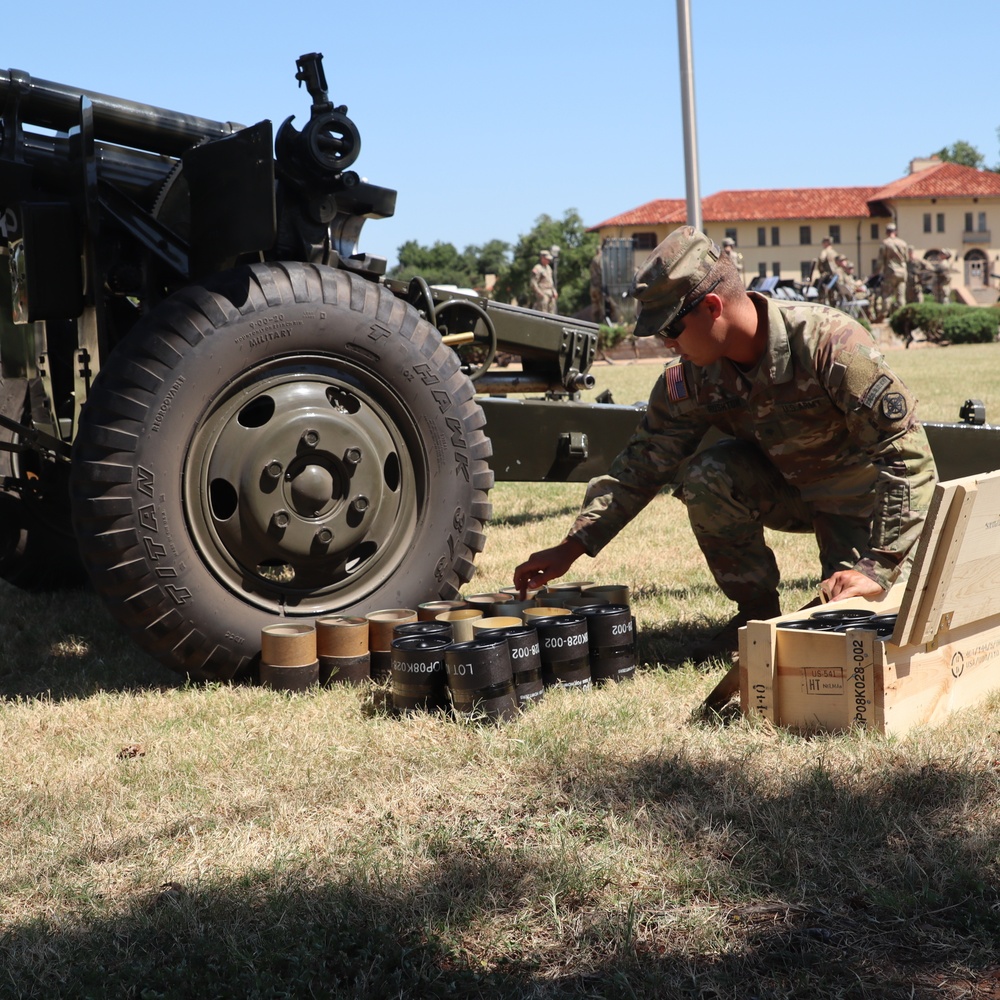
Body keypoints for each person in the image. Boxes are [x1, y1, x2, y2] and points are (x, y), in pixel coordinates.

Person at [513, 226, 938, 660]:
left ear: (712, 307)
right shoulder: (694, 376)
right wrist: (573, 546)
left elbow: (907, 456)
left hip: (859, 505)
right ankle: (754, 613)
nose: (668, 344)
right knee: (707, 475)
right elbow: (642, 465)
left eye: (671, 329)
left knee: (843, 630)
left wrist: (878, 565)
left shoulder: (831, 344)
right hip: (789, 492)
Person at [877, 222, 909, 317]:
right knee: (901, 296)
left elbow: (880, 261)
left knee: (887, 294)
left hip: (891, 272)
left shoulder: (885, 243)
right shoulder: (903, 243)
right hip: (902, 273)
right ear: (896, 232)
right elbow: (906, 258)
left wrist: (875, 272)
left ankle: (884, 315)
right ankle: (902, 316)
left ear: (887, 232)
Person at [530, 249, 558, 313]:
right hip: (543, 293)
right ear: (542, 258)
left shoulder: (548, 268)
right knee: (543, 311)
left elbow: (550, 281)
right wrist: (539, 292)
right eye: (547, 259)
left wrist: (554, 291)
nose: (548, 261)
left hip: (550, 293)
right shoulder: (537, 268)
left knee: (552, 312)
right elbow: (533, 282)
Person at [816, 236, 839, 304]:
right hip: (835, 277)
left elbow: (821, 259)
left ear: (826, 243)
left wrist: (821, 270)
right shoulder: (834, 252)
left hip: (827, 277)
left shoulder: (825, 251)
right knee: (833, 297)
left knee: (822, 297)